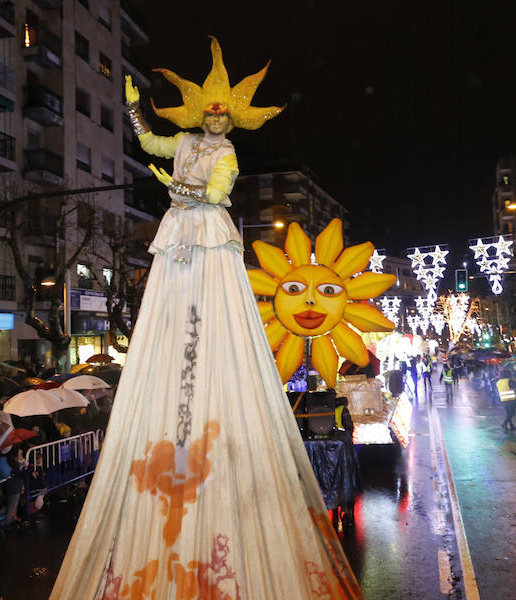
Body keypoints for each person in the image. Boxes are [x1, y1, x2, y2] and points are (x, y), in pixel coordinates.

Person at [51, 39, 362, 599]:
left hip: (207, 236)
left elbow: (217, 191)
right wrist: (130, 110)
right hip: (179, 241)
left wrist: (184, 189)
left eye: (225, 113)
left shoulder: (227, 155)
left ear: (233, 118)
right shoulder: (186, 141)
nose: (217, 118)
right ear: (202, 114)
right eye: (211, 111)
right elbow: (149, 140)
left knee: (214, 320)